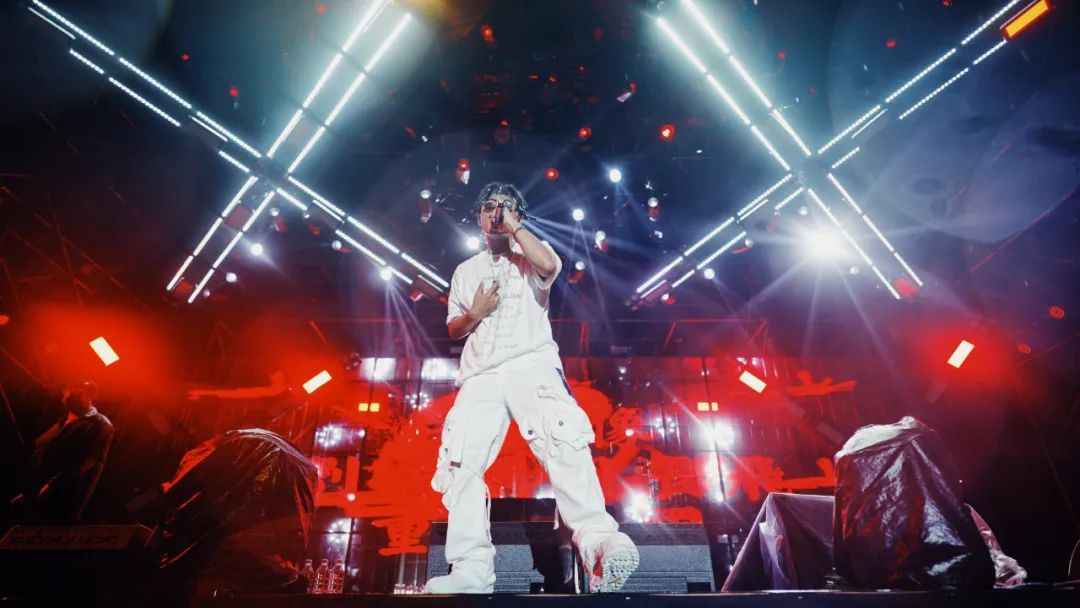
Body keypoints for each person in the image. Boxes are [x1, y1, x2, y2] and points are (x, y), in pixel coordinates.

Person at [424, 182, 638, 594]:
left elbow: (549, 265)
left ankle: (600, 544)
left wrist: (516, 227)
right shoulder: (465, 271)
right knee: (460, 464)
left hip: (531, 362)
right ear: (478, 217)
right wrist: (476, 312)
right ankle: (470, 569)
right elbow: (454, 328)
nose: (496, 213)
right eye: (489, 206)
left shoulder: (530, 256)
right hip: (480, 374)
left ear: (518, 215)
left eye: (506, 207)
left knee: (563, 443)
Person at [12, 380, 114, 523]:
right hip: (40, 497)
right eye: (69, 390)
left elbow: (85, 461)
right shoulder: (62, 423)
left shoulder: (99, 424)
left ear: (91, 397)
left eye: (79, 391)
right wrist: (29, 492)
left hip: (63, 500)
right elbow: (40, 455)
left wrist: (52, 485)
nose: (71, 394)